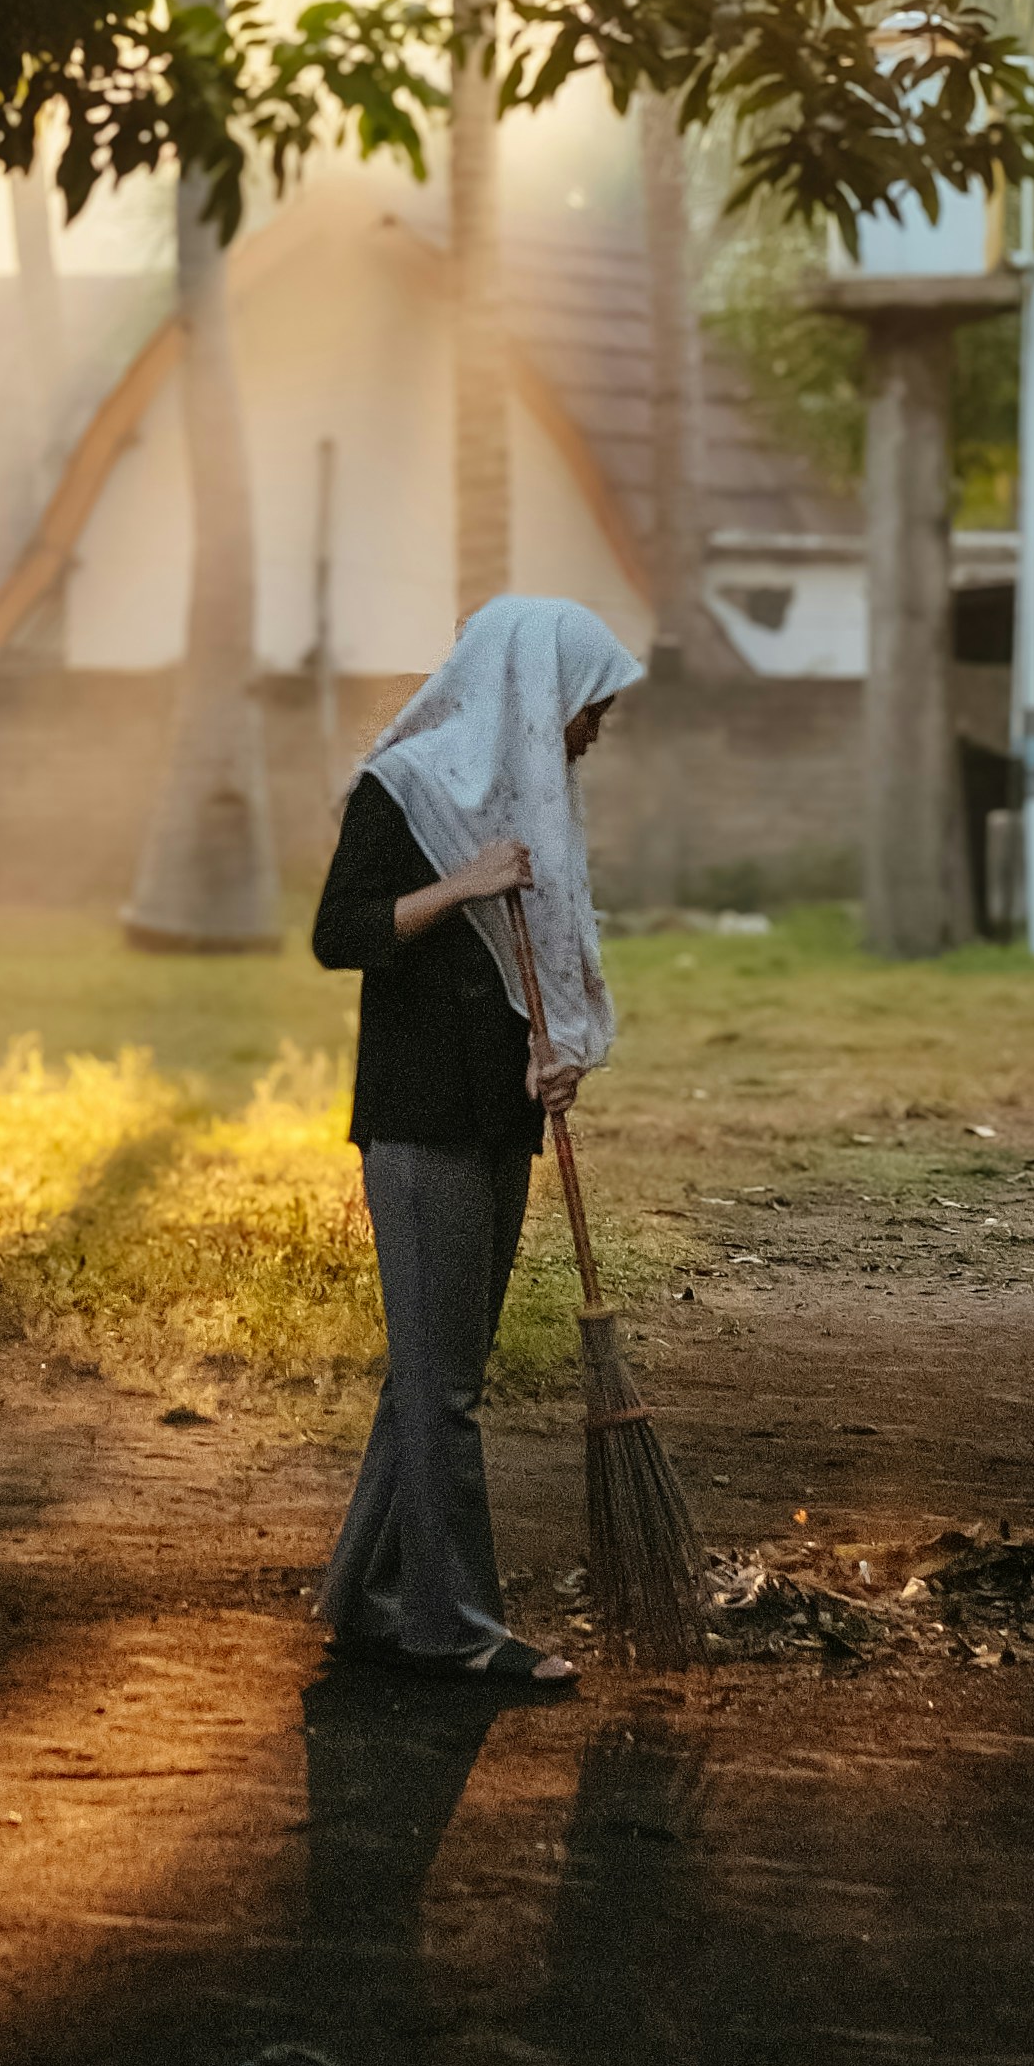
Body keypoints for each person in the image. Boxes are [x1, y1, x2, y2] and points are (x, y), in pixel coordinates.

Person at [311, 593, 641, 1686]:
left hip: (495, 1113)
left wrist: (550, 1057)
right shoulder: (402, 786)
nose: (595, 726)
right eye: (589, 702)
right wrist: (462, 883)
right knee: (443, 1386)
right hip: (414, 1119)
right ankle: (451, 1626)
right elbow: (340, 931)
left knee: (432, 1370)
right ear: (534, 689)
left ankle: (363, 1593)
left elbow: (528, 965)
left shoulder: (530, 799)